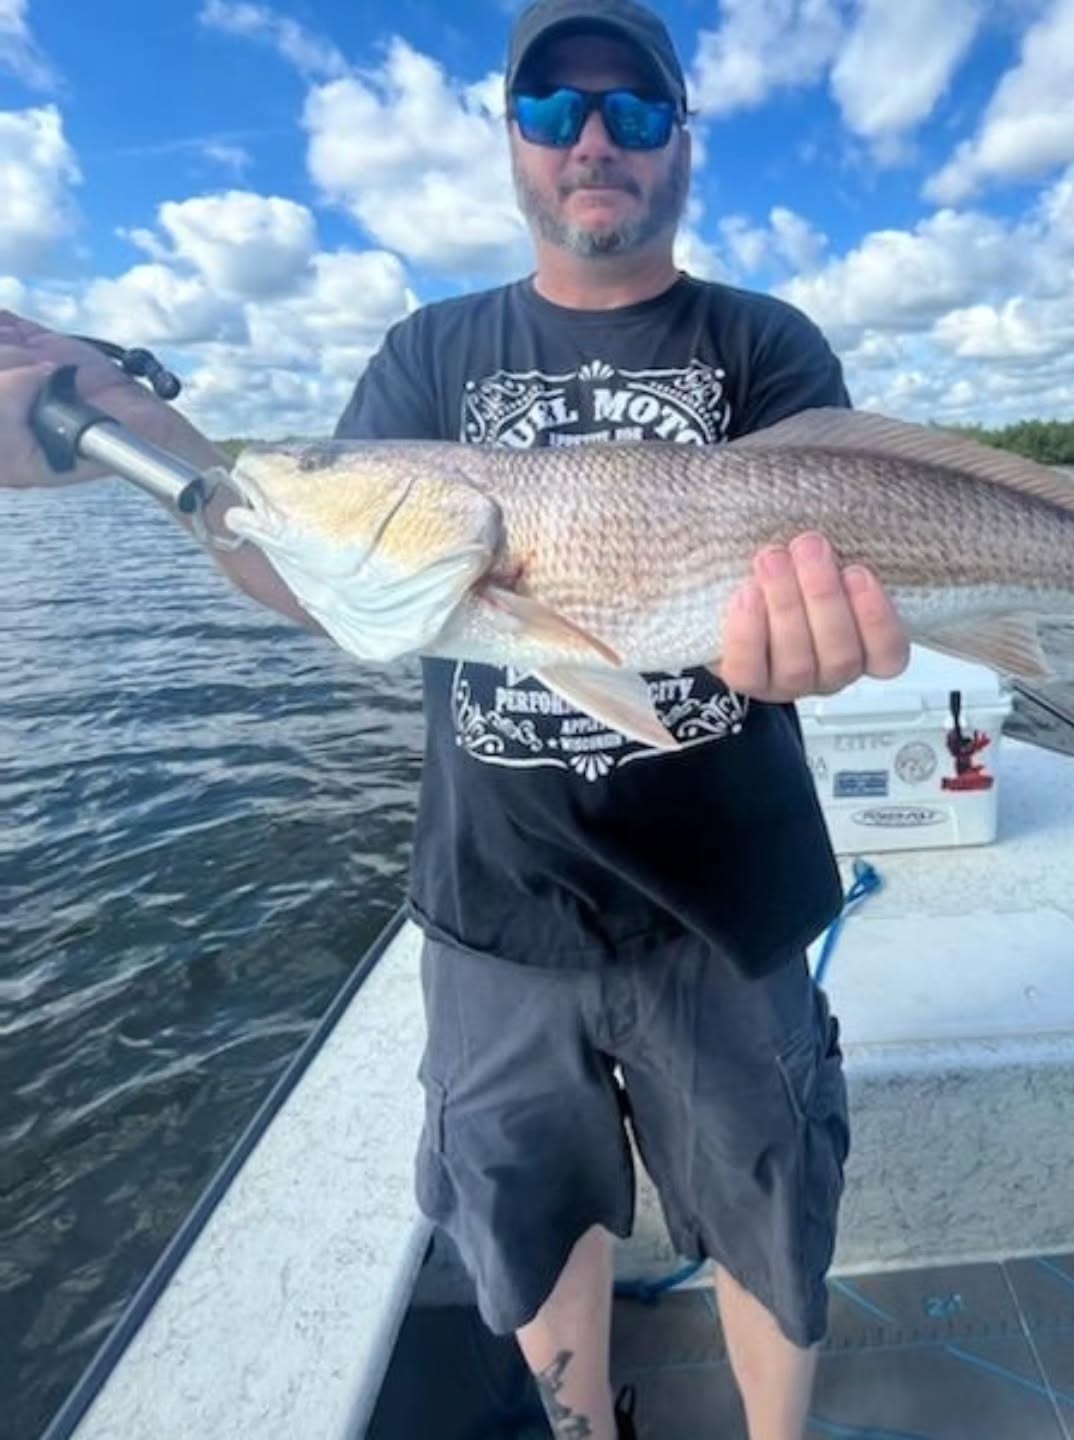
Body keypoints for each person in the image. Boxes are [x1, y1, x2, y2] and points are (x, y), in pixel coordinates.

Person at [0, 2, 910, 1435]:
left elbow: (842, 552)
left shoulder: (764, 341)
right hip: (494, 915)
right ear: (512, 142)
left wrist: (823, 650)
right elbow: (302, 563)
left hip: (735, 912)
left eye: (631, 110)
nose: (592, 139)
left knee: (771, 1203)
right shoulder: (430, 352)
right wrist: (132, 432)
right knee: (530, 1218)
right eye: (553, 111)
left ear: (683, 143)